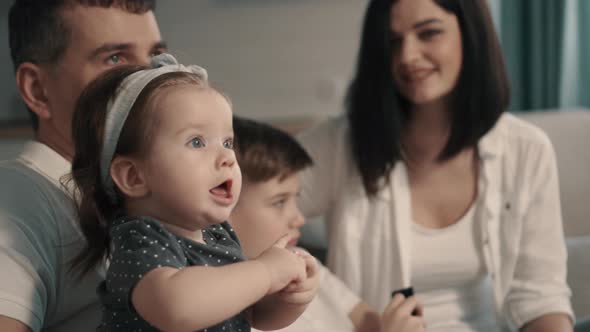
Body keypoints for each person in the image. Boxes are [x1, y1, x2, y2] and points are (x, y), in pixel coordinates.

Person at [297, 0, 574, 331]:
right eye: (393, 41)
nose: (407, 57)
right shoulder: (340, 144)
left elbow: (541, 298)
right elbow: (246, 217)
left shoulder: (527, 149)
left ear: (471, 36)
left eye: (429, 33)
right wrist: (357, 316)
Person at [68, 53, 319, 332]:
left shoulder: (219, 234)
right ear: (134, 177)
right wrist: (266, 271)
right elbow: (177, 308)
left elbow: (252, 315)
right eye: (197, 142)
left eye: (227, 141)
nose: (227, 157)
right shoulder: (141, 237)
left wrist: (290, 298)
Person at [0, 1, 166, 331]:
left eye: (156, 58)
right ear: (38, 90)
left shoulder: (127, 199)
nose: (152, 81)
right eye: (115, 59)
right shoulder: (16, 199)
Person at [230, 116, 426, 332]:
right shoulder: (229, 311)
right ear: (224, 209)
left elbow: (370, 322)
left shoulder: (304, 261)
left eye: (296, 198)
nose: (299, 218)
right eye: (279, 202)